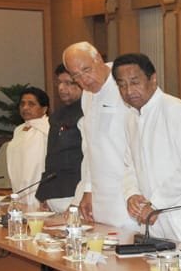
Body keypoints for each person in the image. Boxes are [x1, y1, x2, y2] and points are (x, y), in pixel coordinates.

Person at [115, 53, 181, 244]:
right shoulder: (130, 117)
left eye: (135, 82)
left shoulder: (175, 109)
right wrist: (131, 193)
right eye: (122, 85)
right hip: (152, 219)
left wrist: (157, 202)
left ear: (153, 79)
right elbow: (129, 165)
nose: (129, 90)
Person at [63, 42, 134, 227]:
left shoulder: (125, 85)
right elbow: (89, 147)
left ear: (99, 59)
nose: (84, 80)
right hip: (100, 191)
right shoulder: (87, 95)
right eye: (76, 76)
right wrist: (87, 189)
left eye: (86, 70)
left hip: (127, 190)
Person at [36, 64, 83, 213]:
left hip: (76, 193)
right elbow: (52, 156)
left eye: (68, 83)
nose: (61, 88)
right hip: (54, 192)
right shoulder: (56, 116)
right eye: (59, 82)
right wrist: (44, 192)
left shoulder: (88, 113)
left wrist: (81, 197)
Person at [7, 86, 50, 208]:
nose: (25, 108)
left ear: (44, 109)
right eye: (22, 104)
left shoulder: (49, 128)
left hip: (40, 190)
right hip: (19, 188)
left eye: (31, 104)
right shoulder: (18, 130)